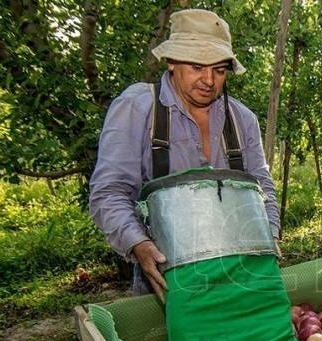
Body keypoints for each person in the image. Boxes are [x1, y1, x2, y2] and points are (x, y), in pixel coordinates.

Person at [89, 8, 280, 301]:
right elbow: (109, 191)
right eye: (197, 67)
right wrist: (138, 243)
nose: (208, 80)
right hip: (167, 277)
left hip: (238, 275)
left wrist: (271, 236)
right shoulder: (138, 108)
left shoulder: (241, 120)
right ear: (172, 62)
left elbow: (260, 187)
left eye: (219, 70)